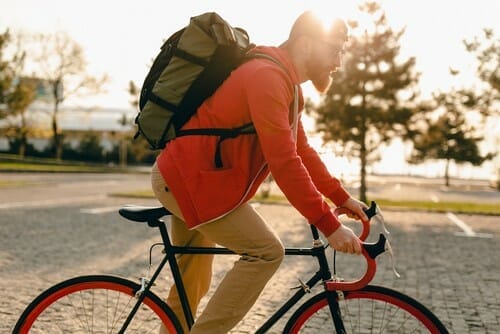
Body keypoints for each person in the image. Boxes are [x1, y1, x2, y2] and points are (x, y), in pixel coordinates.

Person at [151, 11, 368, 334]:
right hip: (191, 182)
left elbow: (301, 151)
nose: (338, 61)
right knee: (266, 252)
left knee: (192, 278)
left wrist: (341, 197)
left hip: (197, 180)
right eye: (334, 50)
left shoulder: (288, 85)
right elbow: (284, 162)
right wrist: (328, 224)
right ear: (306, 44)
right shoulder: (266, 77)